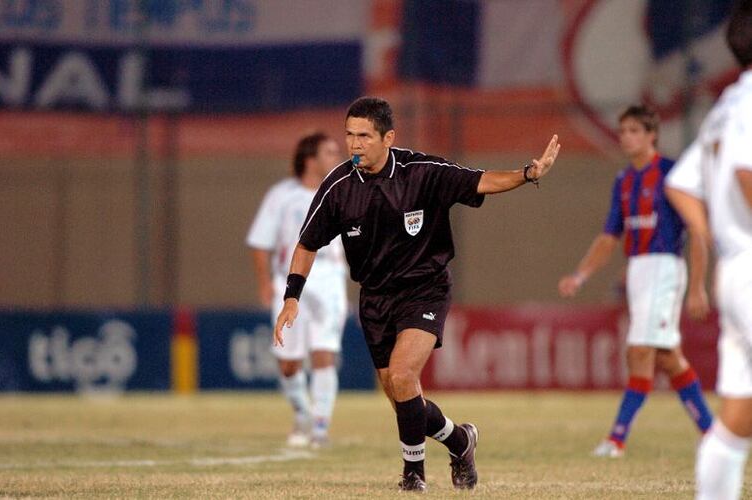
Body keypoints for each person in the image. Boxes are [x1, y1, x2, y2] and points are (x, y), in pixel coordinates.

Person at [274, 96, 560, 492]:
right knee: (402, 398)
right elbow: (307, 244)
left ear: (388, 137)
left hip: (424, 288)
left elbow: (481, 180)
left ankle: (413, 476)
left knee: (405, 375)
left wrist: (528, 173)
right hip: (375, 298)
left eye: (364, 136)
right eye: (349, 135)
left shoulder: (423, 171)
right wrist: (292, 297)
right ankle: (460, 441)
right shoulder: (338, 186)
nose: (354, 144)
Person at [558, 105, 713, 458]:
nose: (625, 136)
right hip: (640, 270)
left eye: (633, 130)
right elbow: (610, 236)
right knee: (667, 357)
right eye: (623, 130)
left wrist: (698, 286)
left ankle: (616, 439)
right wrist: (580, 275)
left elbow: (698, 231)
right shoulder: (624, 180)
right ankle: (710, 430)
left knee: (639, 351)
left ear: (651, 135)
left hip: (666, 267)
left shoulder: (672, 174)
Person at [665, 1, 752, 497]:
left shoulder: (728, 105)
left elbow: (681, 184)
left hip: (737, 268)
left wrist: (714, 235)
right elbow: (745, 172)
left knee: (738, 417)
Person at [247, 132, 348, 449]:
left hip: (330, 278)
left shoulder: (343, 190)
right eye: (329, 152)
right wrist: (265, 283)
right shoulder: (282, 196)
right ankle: (303, 412)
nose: (337, 157)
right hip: (290, 281)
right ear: (310, 160)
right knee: (289, 362)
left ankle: (320, 427)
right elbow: (261, 242)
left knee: (324, 353)